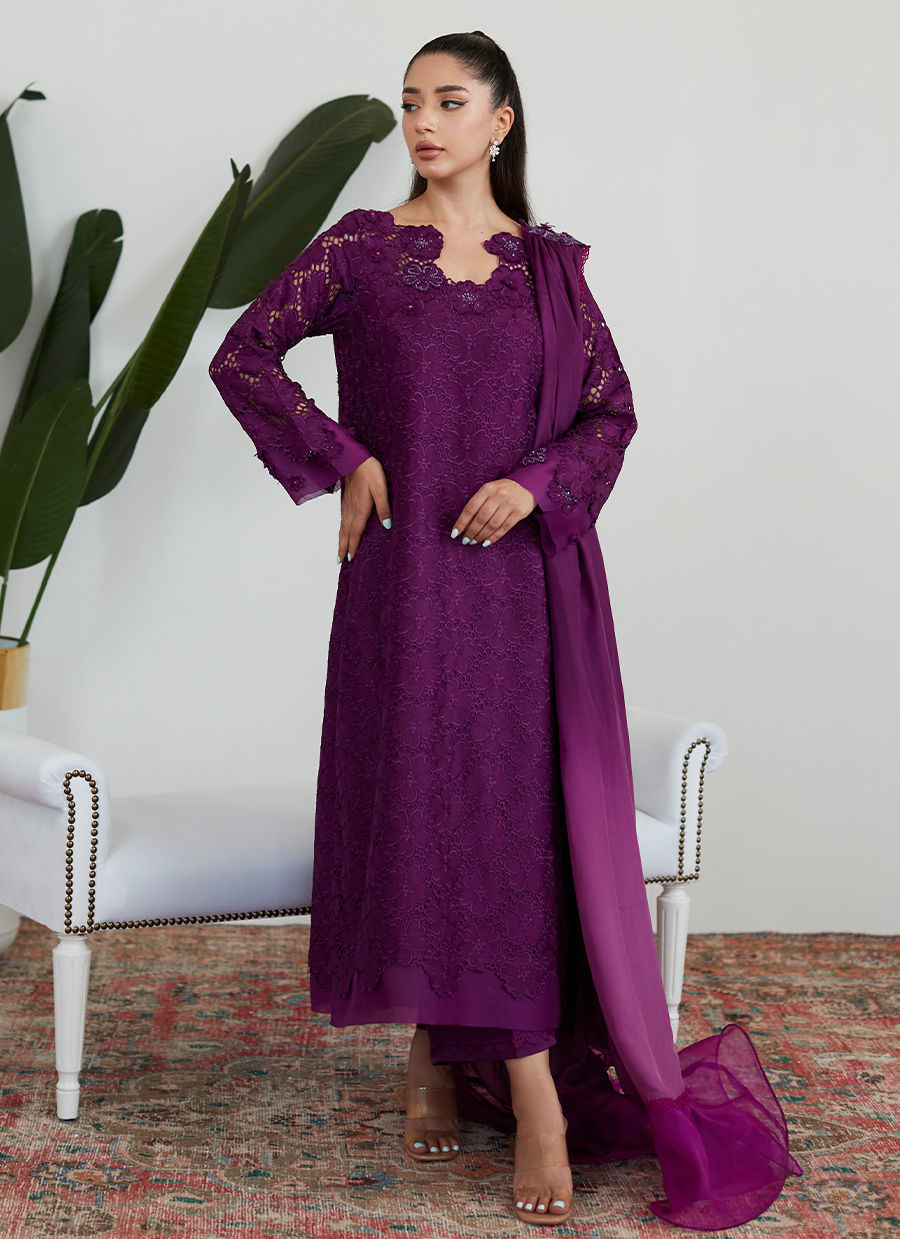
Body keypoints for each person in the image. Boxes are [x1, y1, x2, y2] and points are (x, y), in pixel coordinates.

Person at [209, 30, 801, 1230]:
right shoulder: (361, 252)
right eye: (410, 103)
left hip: (520, 594)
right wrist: (345, 456)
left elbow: (610, 414)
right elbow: (244, 354)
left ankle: (502, 1073)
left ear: (501, 122)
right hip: (402, 585)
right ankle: (481, 1070)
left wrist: (536, 484)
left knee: (503, 825)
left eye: (449, 101)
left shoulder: (551, 271)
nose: (424, 123)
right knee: (417, 806)